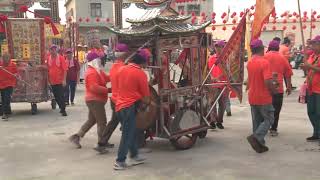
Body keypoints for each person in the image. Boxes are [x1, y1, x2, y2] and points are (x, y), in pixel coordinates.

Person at [114, 49, 151, 170]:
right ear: (143, 62)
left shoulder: (122, 69)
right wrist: (146, 105)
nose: (147, 64)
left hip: (119, 105)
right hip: (129, 107)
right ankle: (120, 161)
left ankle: (134, 155)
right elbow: (146, 97)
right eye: (147, 61)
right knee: (127, 135)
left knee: (132, 131)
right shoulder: (140, 74)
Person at [69, 51, 112, 153]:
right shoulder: (91, 72)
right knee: (102, 122)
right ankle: (101, 143)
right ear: (94, 61)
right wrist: (109, 90)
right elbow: (94, 87)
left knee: (92, 120)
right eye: (98, 59)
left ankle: (77, 136)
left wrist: (116, 74)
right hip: (95, 100)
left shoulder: (97, 71)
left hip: (95, 100)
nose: (100, 61)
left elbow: (107, 78)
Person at [246, 39, 277, 153]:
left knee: (257, 121)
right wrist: (273, 90)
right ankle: (257, 137)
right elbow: (267, 82)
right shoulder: (264, 62)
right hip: (263, 97)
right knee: (269, 119)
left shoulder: (250, 62)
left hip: (253, 96)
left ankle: (260, 144)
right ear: (261, 49)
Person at [102, 43, 129, 149]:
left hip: (114, 99)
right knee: (128, 125)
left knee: (114, 122)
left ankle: (102, 142)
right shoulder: (123, 68)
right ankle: (130, 147)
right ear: (124, 54)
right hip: (121, 101)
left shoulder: (114, 67)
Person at [265, 40, 293, 136]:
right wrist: (289, 87)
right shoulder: (282, 58)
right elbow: (288, 74)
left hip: (266, 87)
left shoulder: (265, 57)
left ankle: (263, 126)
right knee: (276, 109)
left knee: (265, 109)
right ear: (278, 48)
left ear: (269, 47)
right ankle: (273, 129)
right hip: (278, 88)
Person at [300, 35, 320, 142]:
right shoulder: (311, 56)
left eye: (314, 44)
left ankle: (318, 133)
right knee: (311, 112)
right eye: (312, 44)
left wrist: (309, 66)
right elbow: (309, 71)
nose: (312, 46)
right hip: (311, 88)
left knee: (318, 112)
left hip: (319, 89)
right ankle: (316, 132)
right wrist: (305, 67)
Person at [207, 40, 227, 129]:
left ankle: (219, 121)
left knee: (222, 105)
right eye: (216, 46)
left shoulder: (226, 58)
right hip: (214, 85)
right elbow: (209, 69)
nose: (217, 48)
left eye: (219, 47)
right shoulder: (211, 59)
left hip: (223, 84)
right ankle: (212, 121)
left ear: (223, 48)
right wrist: (212, 77)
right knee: (212, 103)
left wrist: (219, 77)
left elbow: (228, 72)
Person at [47, 45, 68, 116]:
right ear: (50, 51)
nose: (53, 51)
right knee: (56, 96)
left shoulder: (61, 58)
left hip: (60, 81)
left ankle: (63, 109)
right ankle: (61, 108)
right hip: (52, 81)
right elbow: (48, 70)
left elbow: (65, 70)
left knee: (60, 96)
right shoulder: (48, 58)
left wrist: (64, 80)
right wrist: (48, 80)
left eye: (54, 50)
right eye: (51, 50)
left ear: (56, 50)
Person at [0, 54, 17, 121]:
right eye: (4, 59)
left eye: (7, 58)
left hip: (10, 84)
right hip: (1, 84)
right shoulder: (0, 64)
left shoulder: (13, 65)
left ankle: (5, 113)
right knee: (4, 98)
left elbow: (16, 73)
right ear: (2, 59)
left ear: (9, 59)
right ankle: (7, 111)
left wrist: (16, 75)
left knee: (7, 98)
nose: (6, 60)